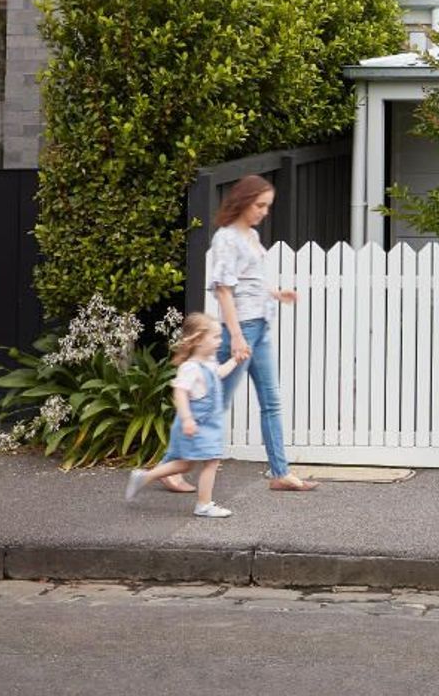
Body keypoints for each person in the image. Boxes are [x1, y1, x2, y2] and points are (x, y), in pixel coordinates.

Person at [206, 175, 319, 492]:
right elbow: (224, 290)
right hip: (240, 331)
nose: (264, 212)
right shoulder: (226, 238)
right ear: (243, 201)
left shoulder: (252, 236)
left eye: (267, 206)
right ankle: (170, 465)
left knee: (271, 401)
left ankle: (280, 473)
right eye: (260, 205)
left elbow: (250, 281)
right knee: (215, 401)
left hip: (260, 327)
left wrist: (276, 293)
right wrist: (237, 336)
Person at [124, 312, 248, 516]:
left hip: (204, 425)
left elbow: (219, 374)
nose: (220, 341)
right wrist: (187, 418)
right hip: (194, 424)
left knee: (185, 464)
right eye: (215, 337)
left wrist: (235, 361)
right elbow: (179, 393)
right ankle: (204, 504)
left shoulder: (209, 363)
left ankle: (145, 477)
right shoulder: (190, 368)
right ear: (198, 340)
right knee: (212, 460)